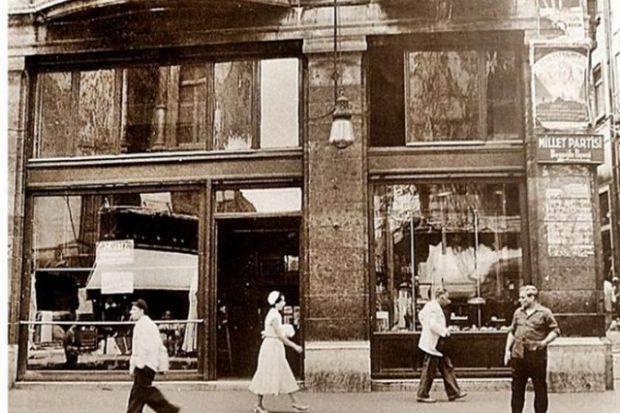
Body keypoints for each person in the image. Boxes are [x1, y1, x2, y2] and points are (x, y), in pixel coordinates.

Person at [249, 291, 308, 413]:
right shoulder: (275, 316)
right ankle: (258, 405)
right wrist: (294, 346)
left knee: (282, 372)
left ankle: (294, 403)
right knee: (266, 372)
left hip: (274, 347)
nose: (284, 303)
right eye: (282, 301)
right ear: (277, 303)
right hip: (272, 348)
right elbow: (280, 336)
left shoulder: (273, 314)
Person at [504, 285, 560, 413]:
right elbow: (512, 332)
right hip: (518, 355)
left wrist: (544, 342)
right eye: (520, 297)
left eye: (523, 297)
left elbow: (555, 331)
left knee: (539, 387)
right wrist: (507, 350)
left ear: (532, 297)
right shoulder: (518, 313)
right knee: (517, 389)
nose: (520, 300)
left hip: (536, 355)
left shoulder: (545, 313)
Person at [126, 299, 180, 413]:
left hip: (144, 364)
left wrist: (136, 365)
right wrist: (161, 364)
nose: (131, 312)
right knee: (139, 393)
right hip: (150, 364)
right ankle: (167, 409)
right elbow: (159, 346)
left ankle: (168, 409)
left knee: (143, 392)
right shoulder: (150, 325)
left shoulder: (141, 326)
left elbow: (140, 348)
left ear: (142, 311)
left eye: (134, 310)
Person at [416, 288, 467, 403]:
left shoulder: (429, 305)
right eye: (446, 298)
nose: (448, 301)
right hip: (433, 344)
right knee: (429, 370)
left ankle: (454, 392)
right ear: (441, 297)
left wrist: (425, 327)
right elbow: (433, 325)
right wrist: (445, 331)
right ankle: (422, 394)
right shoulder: (434, 307)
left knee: (446, 366)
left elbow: (421, 316)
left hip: (436, 344)